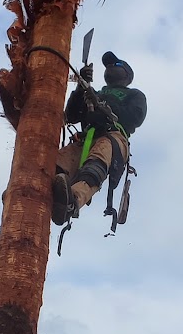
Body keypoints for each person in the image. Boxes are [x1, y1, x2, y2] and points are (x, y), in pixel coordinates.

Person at [52, 50, 147, 225]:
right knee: (55, 164)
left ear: (127, 74)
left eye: (115, 64)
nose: (110, 66)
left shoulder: (134, 95)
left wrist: (103, 106)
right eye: (109, 65)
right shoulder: (93, 92)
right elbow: (71, 115)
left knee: (96, 163)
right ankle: (35, 191)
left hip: (113, 136)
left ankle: (72, 201)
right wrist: (81, 86)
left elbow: (135, 116)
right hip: (85, 138)